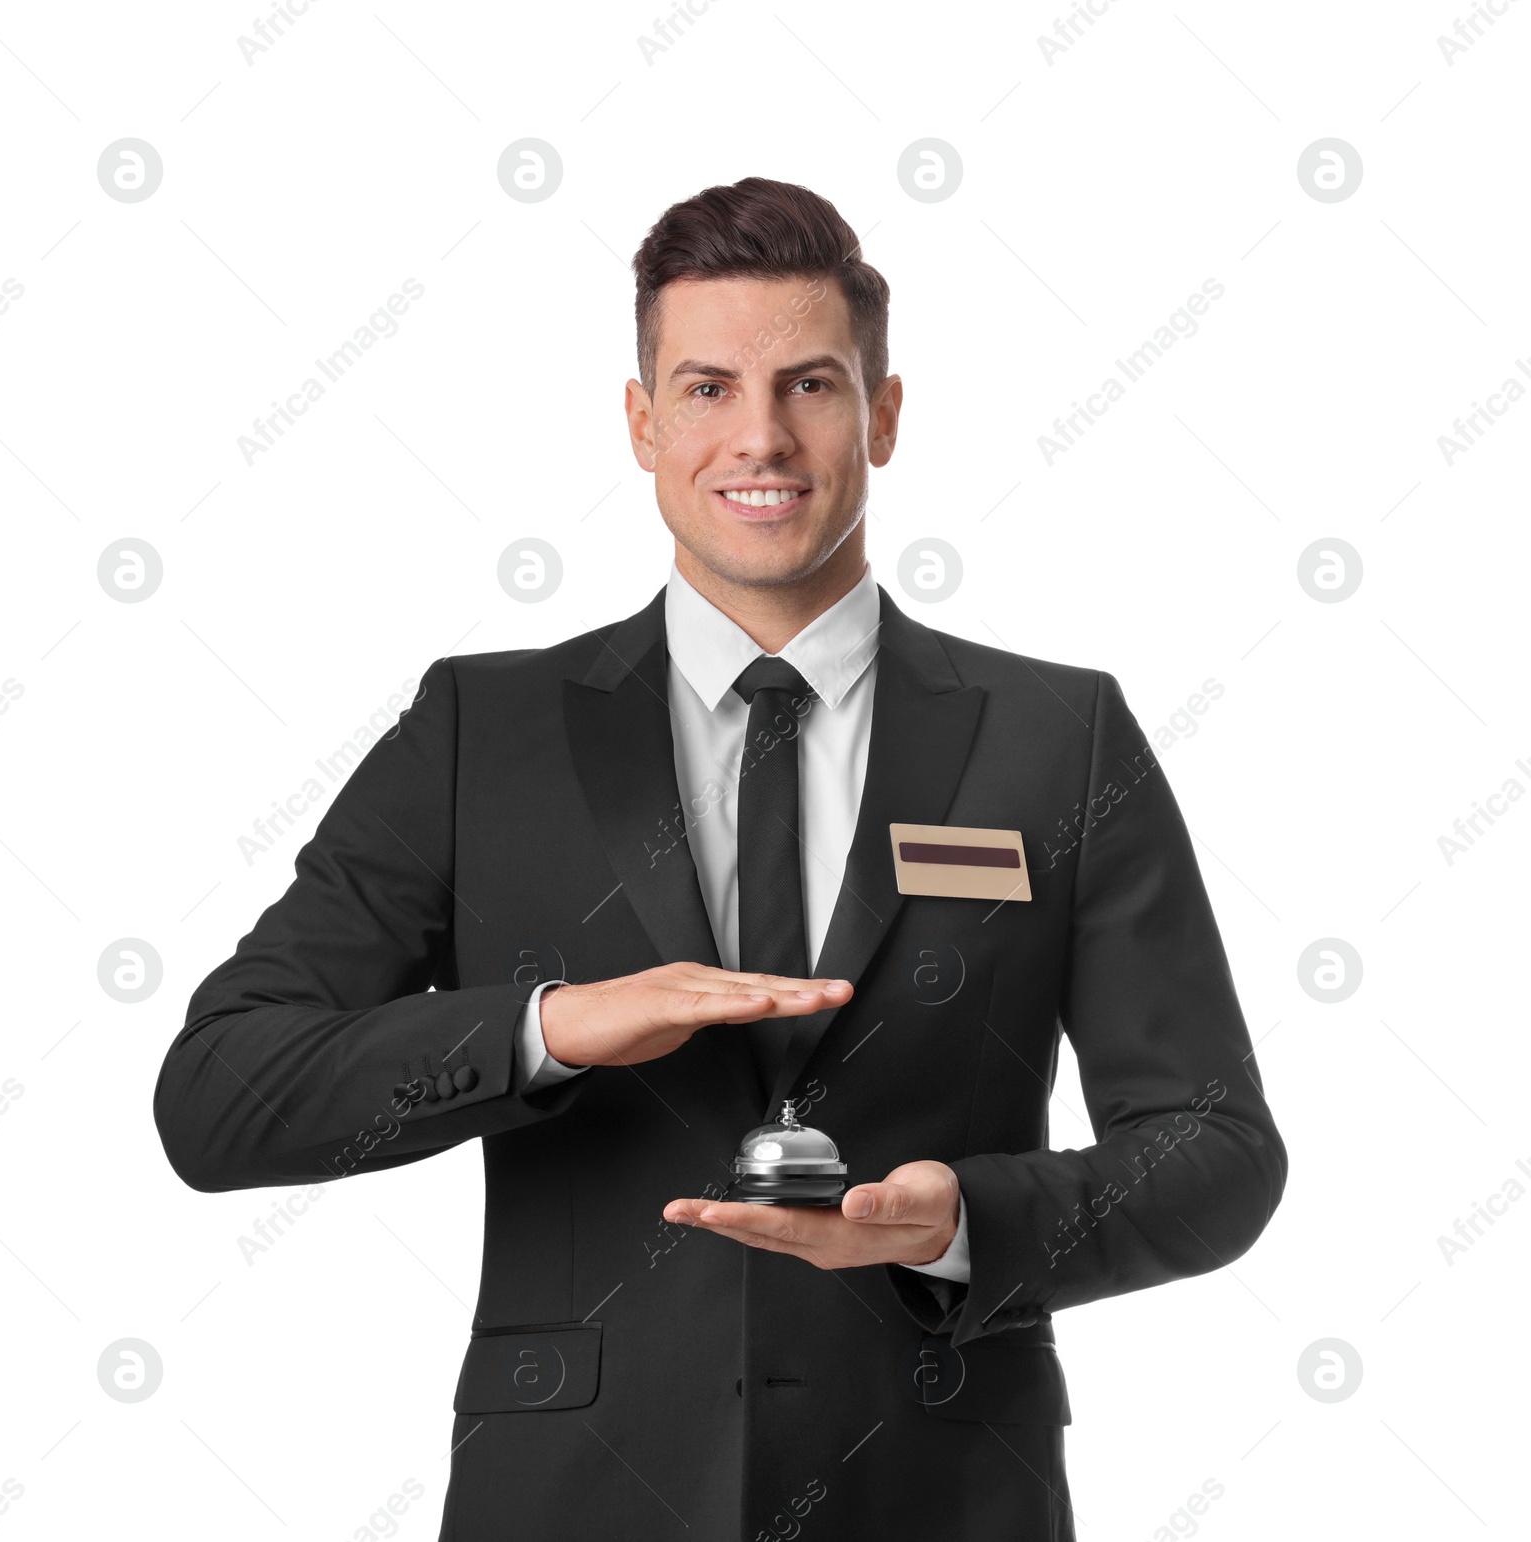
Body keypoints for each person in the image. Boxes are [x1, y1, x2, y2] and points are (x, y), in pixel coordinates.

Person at [154, 175, 1287, 1542]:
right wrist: (549, 1028)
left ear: (885, 411)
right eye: (706, 388)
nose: (761, 436)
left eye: (810, 384)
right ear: (641, 422)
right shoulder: (481, 729)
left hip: (942, 1493)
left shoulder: (1060, 736)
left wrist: (959, 1221)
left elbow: (1218, 1151)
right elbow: (217, 1095)